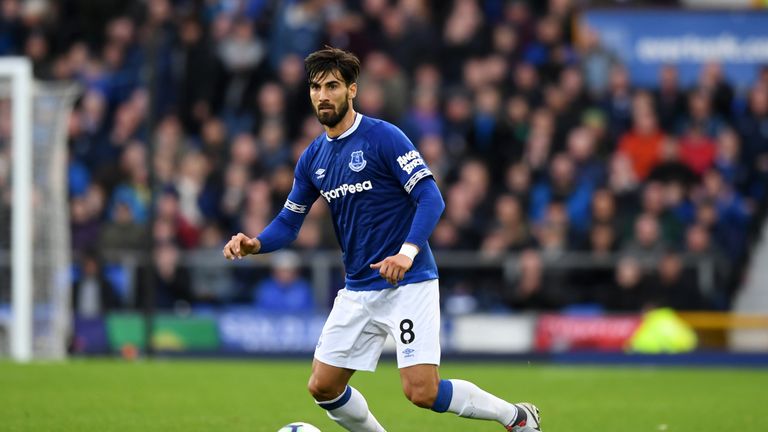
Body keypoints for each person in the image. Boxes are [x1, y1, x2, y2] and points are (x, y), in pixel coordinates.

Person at [223, 47, 541, 432]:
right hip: (358, 288)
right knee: (322, 386)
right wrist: (256, 243)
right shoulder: (313, 158)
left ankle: (517, 417)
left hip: (408, 282)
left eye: (332, 86)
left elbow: (431, 198)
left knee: (422, 392)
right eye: (315, 87)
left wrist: (406, 254)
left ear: (352, 90)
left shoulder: (383, 137)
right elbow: (290, 221)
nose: (323, 95)